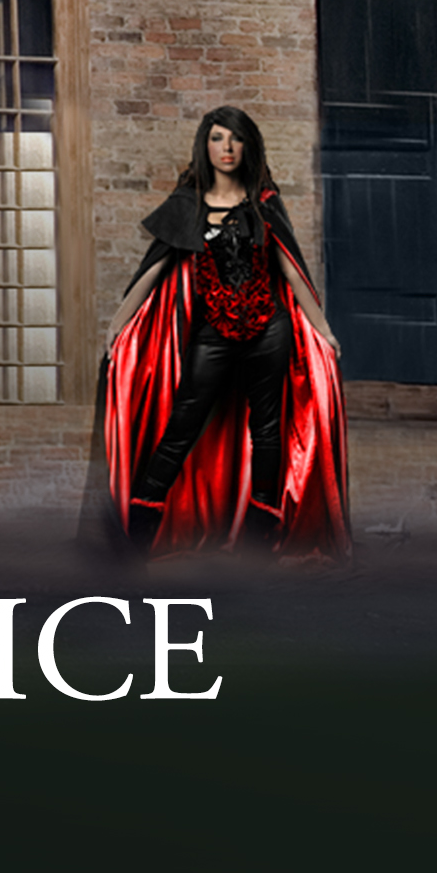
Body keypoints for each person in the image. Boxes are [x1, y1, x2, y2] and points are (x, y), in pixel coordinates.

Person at [95, 105, 350, 557]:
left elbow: (291, 270)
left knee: (267, 432)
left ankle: (258, 539)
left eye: (234, 139)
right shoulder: (188, 204)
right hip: (212, 335)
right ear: (205, 145)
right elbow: (152, 271)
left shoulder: (264, 203)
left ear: (247, 146)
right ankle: (136, 536)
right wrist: (117, 328)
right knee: (181, 428)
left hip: (268, 331)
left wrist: (323, 330)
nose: (226, 148)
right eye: (217, 138)